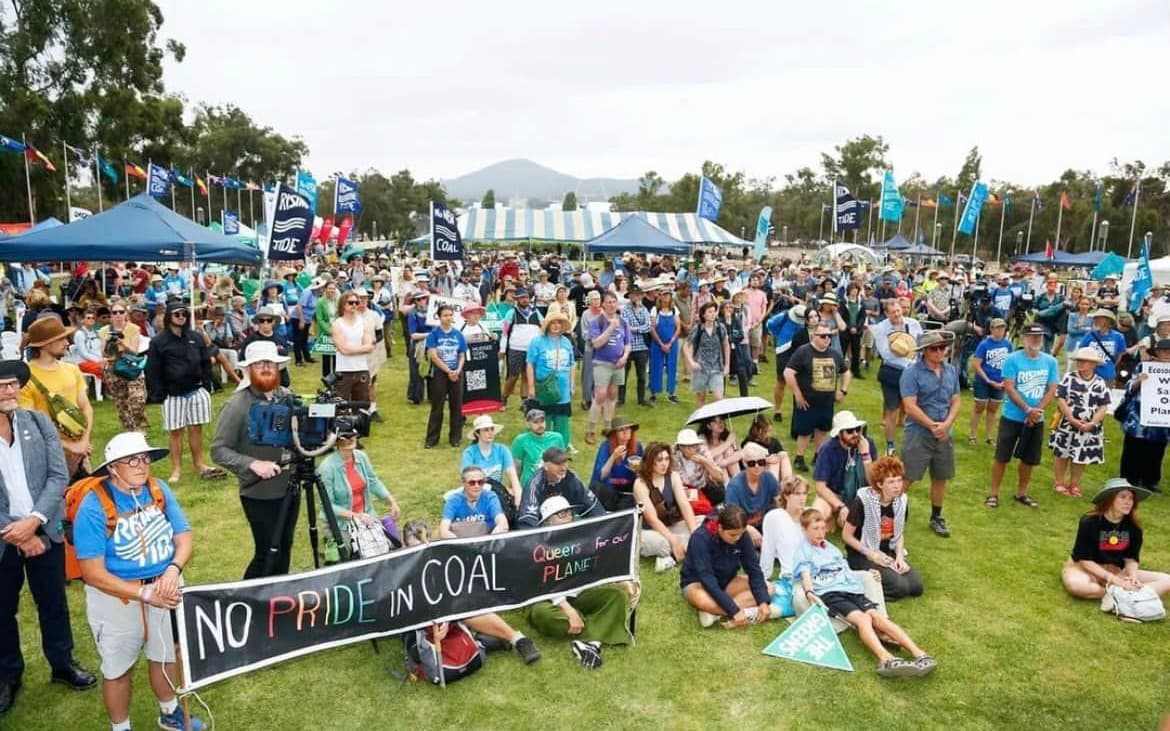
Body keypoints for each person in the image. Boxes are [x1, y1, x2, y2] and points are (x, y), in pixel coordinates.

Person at [72, 433, 205, 731]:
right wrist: (144, 594)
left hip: (166, 586)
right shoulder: (93, 507)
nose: (141, 465)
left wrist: (173, 570)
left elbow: (183, 537)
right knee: (117, 669)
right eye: (131, 460)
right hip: (116, 596)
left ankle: (169, 711)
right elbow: (93, 573)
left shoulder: (158, 490)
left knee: (166, 655)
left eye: (144, 458)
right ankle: (121, 728)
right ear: (112, 468)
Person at [0, 360, 96, 716]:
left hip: (44, 530)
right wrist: (19, 533)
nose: (10, 391)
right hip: (5, 537)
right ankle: (8, 676)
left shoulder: (38, 422)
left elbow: (58, 475)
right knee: (2, 610)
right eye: (2, 385)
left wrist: (35, 522)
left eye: (13, 384)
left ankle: (62, 664)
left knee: (53, 602)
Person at [793, 509, 936, 678]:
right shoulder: (803, 551)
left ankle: (918, 653)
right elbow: (805, 575)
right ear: (804, 529)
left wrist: (869, 572)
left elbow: (844, 571)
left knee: (877, 617)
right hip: (832, 593)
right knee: (864, 619)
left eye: (823, 528)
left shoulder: (831, 548)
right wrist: (809, 592)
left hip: (851, 589)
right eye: (815, 529)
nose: (820, 533)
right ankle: (886, 659)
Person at [211, 341, 298, 579]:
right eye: (259, 364)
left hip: (290, 487)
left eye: (269, 362)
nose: (266, 368)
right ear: (248, 370)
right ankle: (247, 600)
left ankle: (278, 601)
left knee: (284, 547)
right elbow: (218, 450)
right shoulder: (237, 405)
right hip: (259, 492)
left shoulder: (287, 397)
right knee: (267, 552)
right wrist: (252, 464)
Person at [402, 520, 543, 665]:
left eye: (423, 544)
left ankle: (518, 639)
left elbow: (452, 591)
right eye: (413, 547)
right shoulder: (400, 569)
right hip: (423, 623)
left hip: (448, 613)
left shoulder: (439, 556)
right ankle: (484, 643)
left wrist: (447, 617)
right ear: (404, 545)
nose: (420, 551)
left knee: (465, 606)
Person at [525, 496, 635, 670]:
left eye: (568, 512)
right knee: (543, 615)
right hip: (546, 599)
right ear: (547, 521)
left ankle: (590, 642)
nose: (567, 516)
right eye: (560, 514)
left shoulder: (583, 537)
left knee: (615, 597)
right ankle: (596, 629)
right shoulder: (538, 547)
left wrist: (622, 580)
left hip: (578, 595)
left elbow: (601, 562)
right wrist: (569, 611)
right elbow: (544, 585)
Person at [145, 301, 223, 483]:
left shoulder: (195, 337)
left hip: (196, 390)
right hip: (172, 394)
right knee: (175, 432)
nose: (181, 317)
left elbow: (205, 362)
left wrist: (206, 383)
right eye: (177, 314)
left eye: (184, 314)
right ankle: (176, 469)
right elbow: (152, 369)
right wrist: (159, 393)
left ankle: (199, 463)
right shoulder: (158, 341)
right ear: (169, 316)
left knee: (196, 429)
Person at [1061, 478, 1170, 608]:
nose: (1128, 502)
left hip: (1117, 570)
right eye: (1123, 497)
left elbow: (1131, 558)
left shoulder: (1134, 527)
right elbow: (1084, 559)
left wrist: (1132, 576)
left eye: (1131, 498)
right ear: (1110, 499)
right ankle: (1126, 595)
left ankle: (1124, 594)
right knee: (1076, 586)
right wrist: (1114, 580)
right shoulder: (1089, 522)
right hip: (1085, 569)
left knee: (1167, 581)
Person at [987, 324, 1060, 509]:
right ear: (1024, 338)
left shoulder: (1050, 361)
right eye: (1032, 336)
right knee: (1002, 456)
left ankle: (1021, 492)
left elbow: (1052, 389)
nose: (1036, 340)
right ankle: (993, 493)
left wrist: (1037, 412)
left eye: (1039, 337)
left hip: (1037, 418)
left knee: (1029, 458)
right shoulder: (1012, 359)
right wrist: (1028, 410)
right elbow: (1009, 387)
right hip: (1012, 416)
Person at [899, 330, 960, 538]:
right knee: (908, 476)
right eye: (934, 348)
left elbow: (956, 400)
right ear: (924, 351)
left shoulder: (951, 370)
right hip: (918, 433)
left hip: (944, 433)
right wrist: (932, 425)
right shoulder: (911, 373)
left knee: (941, 476)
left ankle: (936, 516)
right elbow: (909, 406)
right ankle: (888, 512)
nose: (939, 352)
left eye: (942, 348)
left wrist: (947, 424)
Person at [20, 317, 94, 479]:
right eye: (60, 339)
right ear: (44, 345)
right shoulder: (26, 378)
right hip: (47, 456)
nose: (67, 342)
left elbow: (86, 408)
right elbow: (29, 426)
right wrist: (69, 446)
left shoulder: (72, 370)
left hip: (80, 452)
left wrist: (83, 442)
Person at [841, 456, 923, 601]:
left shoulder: (902, 501)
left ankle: (884, 576)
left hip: (886, 551)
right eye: (891, 482)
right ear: (879, 484)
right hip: (862, 553)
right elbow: (846, 536)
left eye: (899, 480)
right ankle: (860, 584)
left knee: (916, 586)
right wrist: (871, 554)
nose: (897, 486)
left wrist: (899, 557)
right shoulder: (862, 501)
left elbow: (899, 533)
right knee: (900, 588)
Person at [680, 505, 772, 628]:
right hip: (698, 584)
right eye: (732, 535)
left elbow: (753, 569)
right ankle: (741, 611)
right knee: (701, 599)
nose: (737, 538)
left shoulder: (742, 536)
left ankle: (715, 613)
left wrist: (763, 602)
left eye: (741, 534)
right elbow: (707, 579)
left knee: (768, 588)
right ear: (720, 528)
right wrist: (734, 610)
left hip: (727, 582)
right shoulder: (700, 538)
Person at [317, 427, 400, 556]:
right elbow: (327, 505)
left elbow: (373, 481)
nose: (350, 439)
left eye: (353, 436)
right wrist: (356, 516)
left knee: (389, 546)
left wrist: (391, 501)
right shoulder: (326, 468)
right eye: (345, 437)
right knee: (344, 556)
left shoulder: (361, 457)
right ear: (336, 441)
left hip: (367, 517)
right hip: (341, 525)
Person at [784, 322, 849, 473]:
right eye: (823, 336)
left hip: (826, 402)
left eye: (829, 336)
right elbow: (788, 372)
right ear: (814, 336)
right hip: (807, 402)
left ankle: (818, 455)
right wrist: (798, 394)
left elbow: (846, 372)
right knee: (805, 432)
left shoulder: (834, 354)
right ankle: (799, 458)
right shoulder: (803, 351)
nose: (826, 339)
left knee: (822, 429)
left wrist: (843, 390)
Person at [1049, 347, 1110, 498]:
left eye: (1084, 361)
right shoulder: (1069, 377)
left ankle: (1074, 484)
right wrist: (1070, 417)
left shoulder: (1100, 383)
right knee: (1062, 453)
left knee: (1080, 455)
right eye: (1079, 361)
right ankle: (1059, 482)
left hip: (1088, 426)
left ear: (1093, 364)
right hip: (1067, 423)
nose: (1080, 363)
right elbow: (1060, 398)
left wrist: (1092, 423)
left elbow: (1103, 406)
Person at [632, 441, 698, 572]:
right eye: (659, 460)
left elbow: (685, 505)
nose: (664, 463)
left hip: (671, 525)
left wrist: (696, 533)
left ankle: (687, 548)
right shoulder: (640, 484)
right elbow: (652, 520)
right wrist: (673, 540)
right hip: (648, 530)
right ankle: (689, 549)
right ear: (650, 461)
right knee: (662, 544)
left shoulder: (673, 476)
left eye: (667, 459)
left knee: (702, 525)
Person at [872, 299, 923, 456]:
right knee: (892, 409)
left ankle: (914, 441)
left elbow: (920, 346)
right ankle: (890, 444)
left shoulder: (913, 323)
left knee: (913, 408)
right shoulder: (881, 328)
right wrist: (904, 349)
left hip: (913, 371)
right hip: (892, 372)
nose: (897, 315)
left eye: (899, 311)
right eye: (893, 313)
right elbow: (885, 353)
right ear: (886, 313)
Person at [812, 410, 878, 531]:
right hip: (835, 494)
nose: (855, 434)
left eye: (858, 429)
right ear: (839, 434)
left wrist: (866, 456)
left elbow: (875, 483)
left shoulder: (868, 444)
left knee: (868, 527)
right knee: (817, 514)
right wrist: (840, 506)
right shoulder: (828, 449)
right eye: (849, 431)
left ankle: (840, 520)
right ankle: (834, 516)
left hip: (861, 495)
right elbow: (820, 486)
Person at [1118, 339, 1170, 493]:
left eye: (1169, 352)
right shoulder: (1144, 367)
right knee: (1133, 448)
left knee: (1157, 449)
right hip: (1138, 416)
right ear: (1157, 353)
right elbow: (1128, 388)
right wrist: (1139, 381)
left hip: (1162, 418)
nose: (1167, 355)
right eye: (1164, 352)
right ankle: (1128, 478)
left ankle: (1150, 480)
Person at [515, 447, 605, 528]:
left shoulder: (571, 478)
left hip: (567, 526)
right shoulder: (534, 484)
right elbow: (528, 522)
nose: (563, 468)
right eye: (558, 464)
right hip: (544, 530)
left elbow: (593, 508)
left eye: (565, 463)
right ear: (545, 466)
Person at [586, 292, 631, 445]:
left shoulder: (623, 322)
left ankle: (607, 427)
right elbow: (597, 343)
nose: (612, 305)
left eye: (614, 302)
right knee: (600, 396)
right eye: (609, 302)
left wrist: (624, 357)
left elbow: (627, 343)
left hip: (618, 364)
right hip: (602, 363)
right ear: (603, 304)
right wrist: (611, 328)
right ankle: (590, 430)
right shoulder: (597, 322)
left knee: (612, 395)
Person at [99, 302, 149, 432]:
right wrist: (109, 342)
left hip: (130, 365)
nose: (118, 315)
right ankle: (129, 431)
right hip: (113, 367)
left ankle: (141, 429)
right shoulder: (105, 331)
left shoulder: (134, 328)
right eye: (114, 312)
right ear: (111, 315)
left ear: (126, 313)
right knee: (121, 403)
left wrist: (122, 343)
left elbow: (135, 351)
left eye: (121, 312)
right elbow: (104, 354)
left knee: (137, 399)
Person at [423, 304, 467, 449]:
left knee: (456, 406)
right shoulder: (434, 334)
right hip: (440, 374)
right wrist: (448, 371)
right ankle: (432, 439)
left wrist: (458, 370)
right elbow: (433, 356)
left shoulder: (458, 334)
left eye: (450, 315)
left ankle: (455, 437)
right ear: (439, 317)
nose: (448, 318)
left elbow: (462, 354)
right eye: (445, 315)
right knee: (437, 406)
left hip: (456, 373)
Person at [723, 442, 779, 546]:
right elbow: (731, 518)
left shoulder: (769, 478)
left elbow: (779, 501)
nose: (757, 466)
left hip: (764, 524)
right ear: (744, 463)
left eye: (761, 462)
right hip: (742, 528)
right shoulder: (734, 487)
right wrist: (747, 528)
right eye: (752, 463)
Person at [461, 414, 522, 507]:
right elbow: (468, 480)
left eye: (492, 429)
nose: (490, 432)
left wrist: (518, 500)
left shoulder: (502, 450)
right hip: (476, 494)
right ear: (477, 433)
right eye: (486, 430)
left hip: (498, 494)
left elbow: (513, 477)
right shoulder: (469, 453)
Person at [969, 317, 1011, 445]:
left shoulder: (1007, 344)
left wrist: (1004, 381)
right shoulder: (984, 344)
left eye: (1002, 328)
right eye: (997, 328)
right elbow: (976, 364)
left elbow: (1009, 364)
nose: (1000, 330)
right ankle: (973, 435)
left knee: (993, 408)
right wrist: (987, 380)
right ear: (992, 329)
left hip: (999, 381)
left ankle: (989, 436)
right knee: (979, 407)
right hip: (983, 380)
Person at [589, 416, 644, 511]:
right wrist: (613, 457)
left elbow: (643, 474)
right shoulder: (606, 446)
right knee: (601, 491)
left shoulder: (637, 446)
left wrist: (638, 470)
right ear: (614, 434)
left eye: (628, 429)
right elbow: (601, 476)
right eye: (621, 430)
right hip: (609, 489)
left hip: (628, 491)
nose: (625, 432)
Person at [439, 466, 508, 538]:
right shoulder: (453, 500)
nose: (477, 486)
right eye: (472, 483)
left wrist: (490, 540)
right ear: (464, 483)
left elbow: (503, 523)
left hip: (487, 543)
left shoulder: (490, 497)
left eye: (480, 482)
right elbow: (443, 530)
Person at [671, 428, 725, 518]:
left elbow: (720, 477)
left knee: (720, 493)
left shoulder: (702, 451)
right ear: (680, 447)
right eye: (686, 446)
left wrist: (705, 462)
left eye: (693, 446)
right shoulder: (673, 455)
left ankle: (714, 515)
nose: (690, 449)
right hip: (682, 489)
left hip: (701, 486)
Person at [684, 302, 729, 407]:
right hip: (700, 368)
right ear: (703, 315)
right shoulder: (698, 329)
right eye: (709, 312)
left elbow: (726, 346)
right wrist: (691, 362)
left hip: (717, 367)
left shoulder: (720, 328)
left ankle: (720, 421)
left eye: (714, 311)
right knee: (701, 398)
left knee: (719, 398)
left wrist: (727, 365)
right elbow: (686, 346)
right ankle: (703, 422)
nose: (713, 314)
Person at [333, 290, 375, 402]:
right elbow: (343, 350)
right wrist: (361, 348)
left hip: (361, 368)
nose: (355, 305)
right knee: (341, 406)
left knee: (362, 405)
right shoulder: (338, 323)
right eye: (351, 302)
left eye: (357, 302)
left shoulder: (364, 323)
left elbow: (370, 347)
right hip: (344, 369)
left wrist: (350, 349)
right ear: (343, 304)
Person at [503, 288, 543, 406]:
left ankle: (524, 401)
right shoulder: (511, 313)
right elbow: (505, 332)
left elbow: (544, 325)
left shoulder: (536, 312)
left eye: (526, 297)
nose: (524, 300)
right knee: (513, 376)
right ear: (517, 299)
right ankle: (504, 397)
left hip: (531, 349)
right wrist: (502, 349)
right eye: (521, 298)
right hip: (516, 348)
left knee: (527, 375)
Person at [511, 408, 565, 490]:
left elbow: (563, 463)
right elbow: (517, 467)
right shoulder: (521, 441)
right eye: (535, 422)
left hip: (553, 485)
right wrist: (514, 488)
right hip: (530, 486)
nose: (540, 425)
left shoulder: (557, 438)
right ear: (528, 424)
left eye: (542, 421)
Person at [240, 304, 291, 388]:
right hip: (258, 381)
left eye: (269, 320)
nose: (265, 323)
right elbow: (242, 359)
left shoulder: (281, 339)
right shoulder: (250, 340)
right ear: (258, 322)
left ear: (274, 322)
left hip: (281, 381)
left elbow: (285, 359)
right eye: (262, 320)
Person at [618, 285, 651, 408]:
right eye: (633, 294)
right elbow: (624, 327)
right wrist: (639, 329)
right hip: (627, 346)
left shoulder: (644, 310)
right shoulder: (625, 310)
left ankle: (641, 399)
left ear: (641, 296)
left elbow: (648, 327)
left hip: (642, 347)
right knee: (623, 375)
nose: (635, 297)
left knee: (642, 375)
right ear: (630, 296)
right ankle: (621, 400)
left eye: (637, 294)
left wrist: (634, 329)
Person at [1078, 309, 1126, 385]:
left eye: (1099, 319)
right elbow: (1081, 352)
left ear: (1107, 321)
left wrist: (1109, 365)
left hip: (1107, 374)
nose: (1096, 321)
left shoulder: (1118, 337)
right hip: (1089, 374)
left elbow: (1119, 356)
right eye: (1095, 318)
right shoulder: (1089, 335)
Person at [741, 414, 793, 483]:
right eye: (765, 432)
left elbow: (782, 452)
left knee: (783, 457)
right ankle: (773, 488)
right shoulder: (749, 443)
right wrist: (766, 460)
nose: (768, 434)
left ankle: (789, 484)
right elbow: (747, 461)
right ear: (756, 430)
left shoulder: (773, 441)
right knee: (774, 463)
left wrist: (779, 456)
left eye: (770, 431)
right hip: (757, 470)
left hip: (774, 471)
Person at [405, 289, 431, 405]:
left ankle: (435, 395)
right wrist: (429, 335)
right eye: (418, 299)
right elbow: (413, 334)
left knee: (433, 370)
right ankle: (416, 396)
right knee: (416, 371)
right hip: (418, 344)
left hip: (432, 344)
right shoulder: (412, 313)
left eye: (423, 298)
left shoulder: (433, 312)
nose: (421, 301)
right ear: (414, 301)